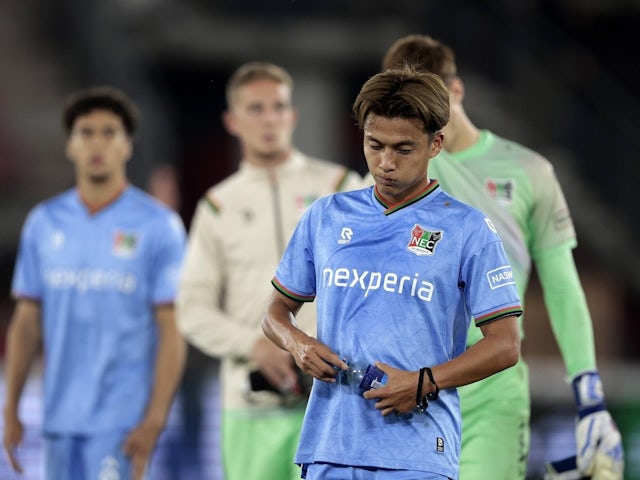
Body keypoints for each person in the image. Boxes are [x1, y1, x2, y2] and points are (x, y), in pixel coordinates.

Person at [381, 34, 624, 479]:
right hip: (409, 387)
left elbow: (562, 286)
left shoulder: (529, 172)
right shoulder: (388, 176)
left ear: (455, 91)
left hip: (492, 387)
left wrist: (590, 399)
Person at [261, 66, 522, 480]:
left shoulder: (468, 229)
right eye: (374, 144)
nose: (385, 162)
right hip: (329, 447)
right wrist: (297, 344)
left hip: (418, 452)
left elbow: (506, 345)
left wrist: (424, 382)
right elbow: (275, 313)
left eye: (403, 149)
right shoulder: (325, 216)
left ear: (436, 143)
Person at [176, 61, 363, 480]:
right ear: (232, 120)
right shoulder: (217, 207)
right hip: (250, 407)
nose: (268, 119)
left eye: (277, 107)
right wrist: (254, 345)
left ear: (292, 115)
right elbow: (192, 309)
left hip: (335, 400)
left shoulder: (340, 187)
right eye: (255, 108)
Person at [2, 86, 187, 480]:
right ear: (70, 145)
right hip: (58, 421)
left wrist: (154, 419)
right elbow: (27, 319)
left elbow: (172, 329)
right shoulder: (43, 222)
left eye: (109, 133)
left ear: (128, 146)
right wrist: (11, 408)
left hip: (122, 422)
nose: (97, 143)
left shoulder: (158, 226)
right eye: (86, 133)